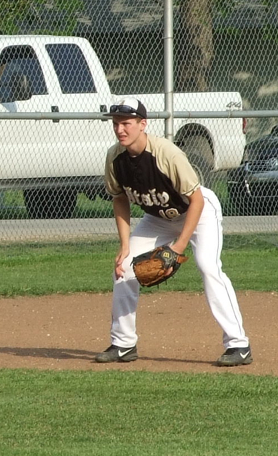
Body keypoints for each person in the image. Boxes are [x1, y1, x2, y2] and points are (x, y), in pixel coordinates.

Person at [95, 98, 251, 367]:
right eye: (116, 123)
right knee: (124, 268)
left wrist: (178, 248)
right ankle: (123, 344)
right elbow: (119, 198)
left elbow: (197, 199)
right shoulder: (115, 157)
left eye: (126, 123)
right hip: (158, 218)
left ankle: (239, 345)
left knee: (208, 266)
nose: (120, 129)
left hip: (198, 211)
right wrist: (124, 246)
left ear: (142, 124)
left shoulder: (167, 154)